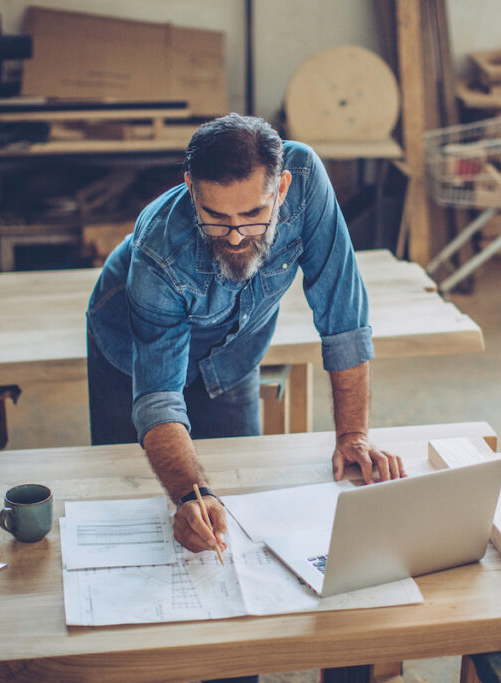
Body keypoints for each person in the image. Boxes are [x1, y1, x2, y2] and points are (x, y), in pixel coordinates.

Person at [86, 113, 405, 556]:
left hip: (233, 354)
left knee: (242, 500)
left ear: (283, 188)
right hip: (129, 353)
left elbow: (343, 319)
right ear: (191, 189)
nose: (235, 236)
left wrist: (353, 436)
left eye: (254, 214)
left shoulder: (308, 181)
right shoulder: (159, 253)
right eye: (215, 216)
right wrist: (191, 496)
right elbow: (158, 397)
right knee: (128, 505)